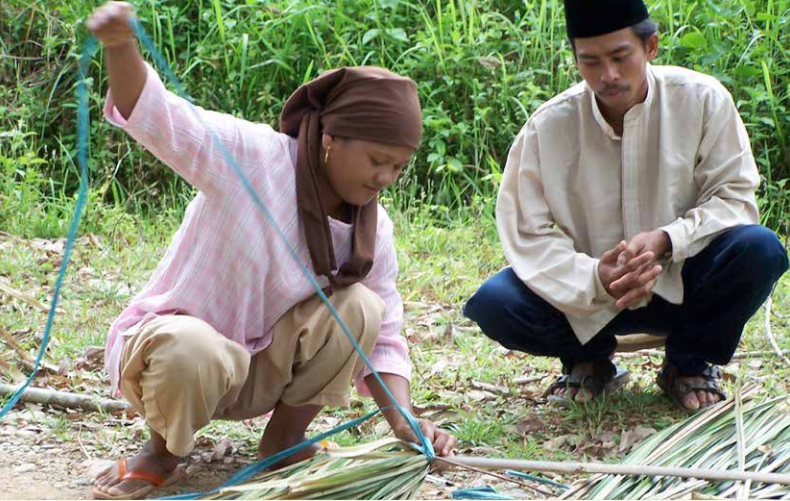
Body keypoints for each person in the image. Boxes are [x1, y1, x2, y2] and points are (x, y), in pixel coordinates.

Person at [86, 2, 456, 499]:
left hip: (258, 370)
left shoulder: (372, 227)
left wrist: (405, 420)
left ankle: (283, 441)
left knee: (362, 307)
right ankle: (161, 452)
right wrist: (120, 46)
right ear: (330, 138)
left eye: (399, 167)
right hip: (173, 359)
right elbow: (156, 115)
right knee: (193, 347)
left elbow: (385, 332)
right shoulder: (253, 157)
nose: (385, 179)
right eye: (376, 160)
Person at [464, 0, 787, 413]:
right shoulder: (548, 126)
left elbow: (734, 198)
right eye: (591, 61)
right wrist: (596, 274)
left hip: (683, 285)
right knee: (496, 302)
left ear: (650, 46)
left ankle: (687, 363)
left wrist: (667, 240)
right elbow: (528, 232)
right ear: (575, 59)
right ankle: (589, 360)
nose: (607, 75)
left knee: (760, 249)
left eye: (620, 57)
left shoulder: (702, 100)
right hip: (587, 298)